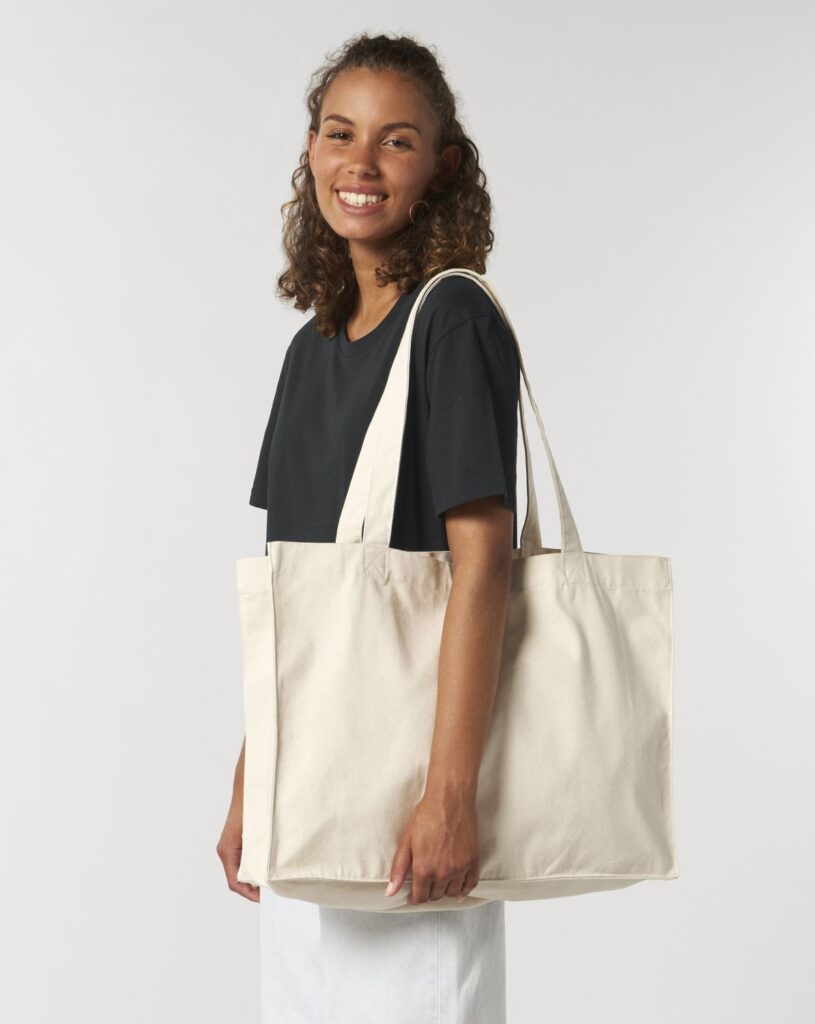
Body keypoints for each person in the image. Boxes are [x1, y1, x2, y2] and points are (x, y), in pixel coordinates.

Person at [217, 32, 521, 1024]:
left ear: (442, 166)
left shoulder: (452, 323)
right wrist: (252, 775)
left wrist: (450, 795)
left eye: (396, 140)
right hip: (309, 785)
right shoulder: (311, 351)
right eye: (340, 133)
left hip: (406, 798)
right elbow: (296, 596)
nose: (361, 161)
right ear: (310, 150)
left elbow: (484, 566)